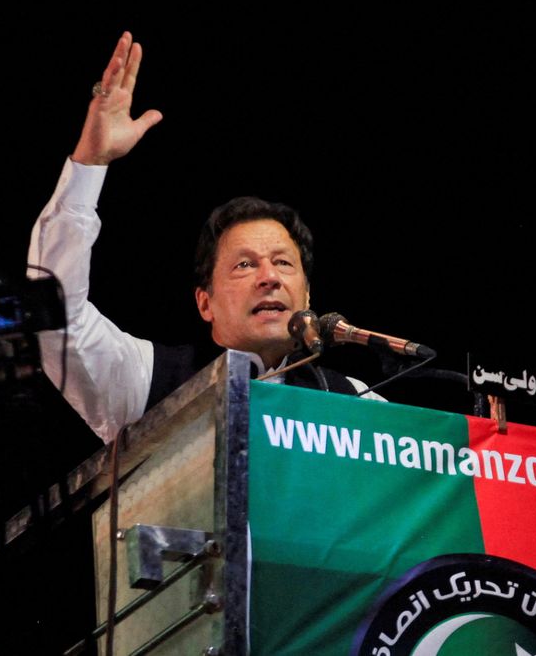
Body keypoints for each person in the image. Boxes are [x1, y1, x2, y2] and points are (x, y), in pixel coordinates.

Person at [28, 32, 375, 442]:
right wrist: (91, 162)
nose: (270, 277)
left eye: (283, 262)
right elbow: (54, 316)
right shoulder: (145, 378)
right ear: (205, 302)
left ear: (308, 297)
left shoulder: (358, 402)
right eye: (245, 264)